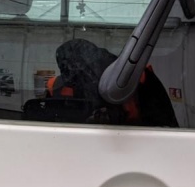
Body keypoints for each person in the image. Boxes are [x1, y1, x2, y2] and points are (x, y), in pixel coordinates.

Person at [44, 38, 178, 127]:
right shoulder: (56, 87)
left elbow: (164, 126)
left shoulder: (138, 77)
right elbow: (49, 125)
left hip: (134, 144)